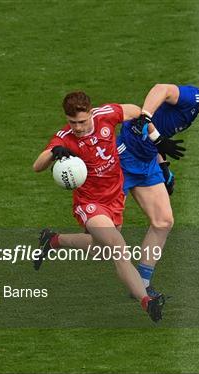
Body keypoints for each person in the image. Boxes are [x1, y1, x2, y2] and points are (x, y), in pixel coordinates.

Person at [40, 73, 199, 297]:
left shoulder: (194, 111)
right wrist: (146, 116)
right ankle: (55, 240)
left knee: (163, 222)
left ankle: (142, 285)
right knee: (102, 248)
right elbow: (161, 88)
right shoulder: (192, 97)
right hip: (123, 161)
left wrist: (163, 167)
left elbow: (157, 136)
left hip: (147, 161)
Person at [32, 91, 165, 322]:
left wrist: (145, 125)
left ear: (91, 114)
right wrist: (54, 153)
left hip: (114, 198)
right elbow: (37, 165)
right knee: (117, 247)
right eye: (72, 122)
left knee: (100, 251)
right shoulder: (65, 137)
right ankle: (146, 301)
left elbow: (134, 110)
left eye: (82, 121)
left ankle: (53, 240)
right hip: (89, 204)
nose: (78, 127)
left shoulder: (107, 115)